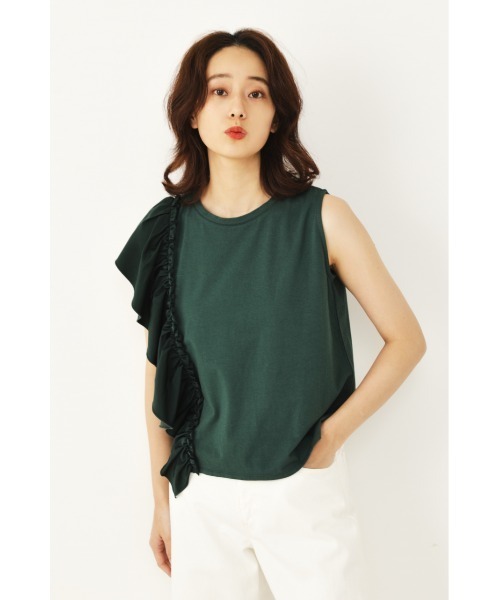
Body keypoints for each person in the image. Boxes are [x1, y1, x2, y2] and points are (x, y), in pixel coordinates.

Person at [115, 28, 426, 600]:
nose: (237, 107)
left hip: (302, 488)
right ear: (193, 112)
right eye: (219, 91)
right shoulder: (167, 231)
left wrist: (329, 438)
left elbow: (406, 340)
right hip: (200, 492)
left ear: (277, 113)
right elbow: (159, 369)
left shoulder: (323, 217)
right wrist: (162, 499)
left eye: (256, 93)